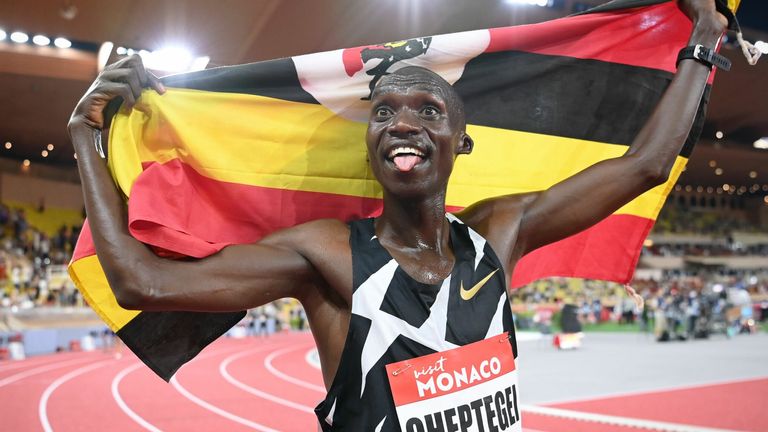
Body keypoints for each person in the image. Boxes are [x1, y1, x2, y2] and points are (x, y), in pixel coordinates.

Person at [67, 1, 726, 429]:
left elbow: (646, 162)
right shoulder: (324, 254)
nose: (401, 123)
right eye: (383, 112)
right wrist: (84, 138)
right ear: (370, 143)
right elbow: (142, 284)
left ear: (460, 140)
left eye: (427, 111)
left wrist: (703, 41)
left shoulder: (501, 232)